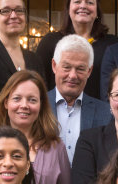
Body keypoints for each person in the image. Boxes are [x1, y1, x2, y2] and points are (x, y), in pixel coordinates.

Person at [35, 0, 118, 99]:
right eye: (77, 1)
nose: (83, 6)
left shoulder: (112, 45)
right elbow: (38, 83)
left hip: (100, 113)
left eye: (90, 2)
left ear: (97, 11)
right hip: (56, 113)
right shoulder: (50, 42)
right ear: (68, 9)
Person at [48, 34, 113, 164]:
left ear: (89, 71)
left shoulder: (105, 113)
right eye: (66, 67)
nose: (72, 75)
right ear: (54, 66)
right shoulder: (37, 107)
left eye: (80, 69)